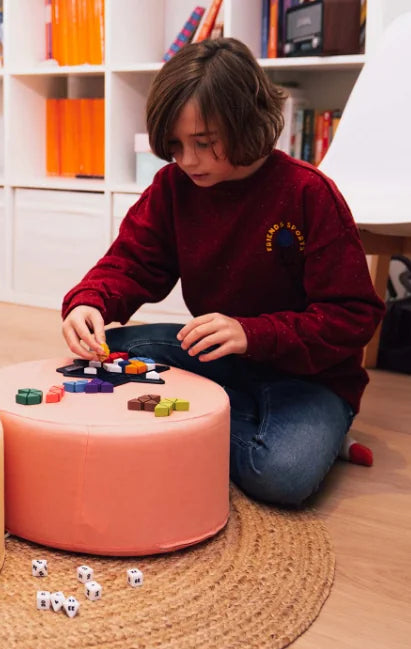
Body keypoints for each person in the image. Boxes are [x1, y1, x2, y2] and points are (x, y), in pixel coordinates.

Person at [61, 38, 385, 507]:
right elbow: (133, 260)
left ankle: (285, 433)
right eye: (174, 145)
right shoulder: (174, 186)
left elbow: (354, 317)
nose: (187, 160)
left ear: (246, 121)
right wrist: (90, 300)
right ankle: (226, 414)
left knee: (279, 474)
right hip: (222, 359)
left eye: (204, 143)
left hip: (310, 377)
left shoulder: (308, 193)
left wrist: (253, 333)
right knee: (106, 352)